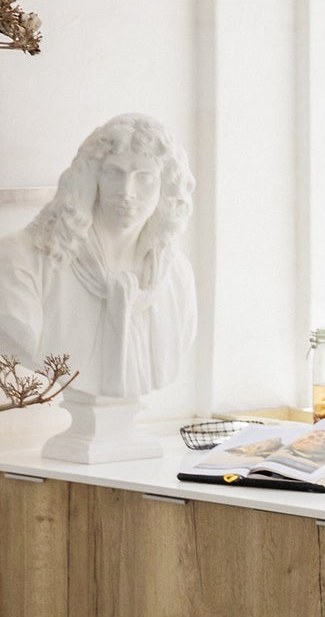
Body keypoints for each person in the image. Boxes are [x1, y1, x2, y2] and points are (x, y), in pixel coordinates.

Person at [0, 113, 196, 402]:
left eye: (144, 177)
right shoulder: (23, 259)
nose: (126, 192)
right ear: (92, 177)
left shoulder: (174, 275)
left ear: (167, 184)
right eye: (114, 173)